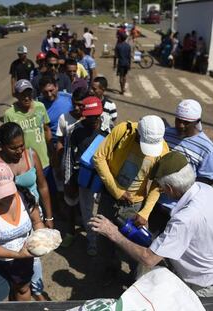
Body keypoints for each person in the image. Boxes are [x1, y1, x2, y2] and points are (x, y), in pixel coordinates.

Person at [90, 151, 213, 298]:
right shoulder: (205, 189)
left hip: (199, 285)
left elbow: (149, 259)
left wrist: (113, 233)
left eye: (160, 187)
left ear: (169, 188)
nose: (160, 190)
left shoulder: (184, 219)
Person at [0, 122, 53, 300]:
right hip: (8, 220)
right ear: (2, 145)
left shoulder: (31, 155)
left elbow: (43, 186)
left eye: (21, 145)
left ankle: (34, 290)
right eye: (14, 148)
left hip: (33, 212)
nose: (19, 150)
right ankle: (22, 290)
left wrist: (48, 217)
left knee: (34, 258)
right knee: (14, 260)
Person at [93, 115, 169, 281]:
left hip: (135, 206)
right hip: (109, 198)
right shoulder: (123, 130)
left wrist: (145, 212)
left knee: (137, 246)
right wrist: (117, 191)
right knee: (105, 241)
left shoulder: (162, 150)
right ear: (138, 132)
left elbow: (158, 184)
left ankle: (137, 280)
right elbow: (99, 157)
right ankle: (110, 270)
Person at [0, 163, 45, 301]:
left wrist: (43, 239)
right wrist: (17, 254)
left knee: (23, 289)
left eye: (8, 191)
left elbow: (37, 222)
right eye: (0, 194)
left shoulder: (26, 197)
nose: (6, 197)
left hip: (23, 259)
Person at [150, 99, 213, 234]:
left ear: (197, 122)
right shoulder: (166, 134)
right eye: (178, 120)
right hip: (154, 202)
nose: (181, 125)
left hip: (178, 209)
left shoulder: (207, 148)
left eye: (186, 122)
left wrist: (180, 189)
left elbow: (206, 181)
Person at [70, 96, 108, 256]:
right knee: (87, 211)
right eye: (90, 116)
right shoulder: (76, 132)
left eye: (96, 116)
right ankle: (92, 241)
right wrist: (69, 179)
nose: (93, 119)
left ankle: (104, 239)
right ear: (84, 114)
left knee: (102, 210)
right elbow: (69, 156)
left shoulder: (107, 130)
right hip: (84, 177)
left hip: (103, 178)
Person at [56, 88, 88, 247]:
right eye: (75, 104)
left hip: (87, 170)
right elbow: (60, 142)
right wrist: (59, 166)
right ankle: (70, 232)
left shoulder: (91, 119)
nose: (77, 108)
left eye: (81, 105)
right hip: (69, 168)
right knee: (69, 202)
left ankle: (88, 231)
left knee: (86, 202)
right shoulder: (64, 118)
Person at [4, 79, 52, 172]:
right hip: (25, 165)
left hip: (44, 161)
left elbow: (46, 130)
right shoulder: (9, 114)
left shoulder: (40, 107)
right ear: (16, 95)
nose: (26, 98)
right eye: (22, 95)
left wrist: (52, 154)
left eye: (29, 94)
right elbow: (7, 141)